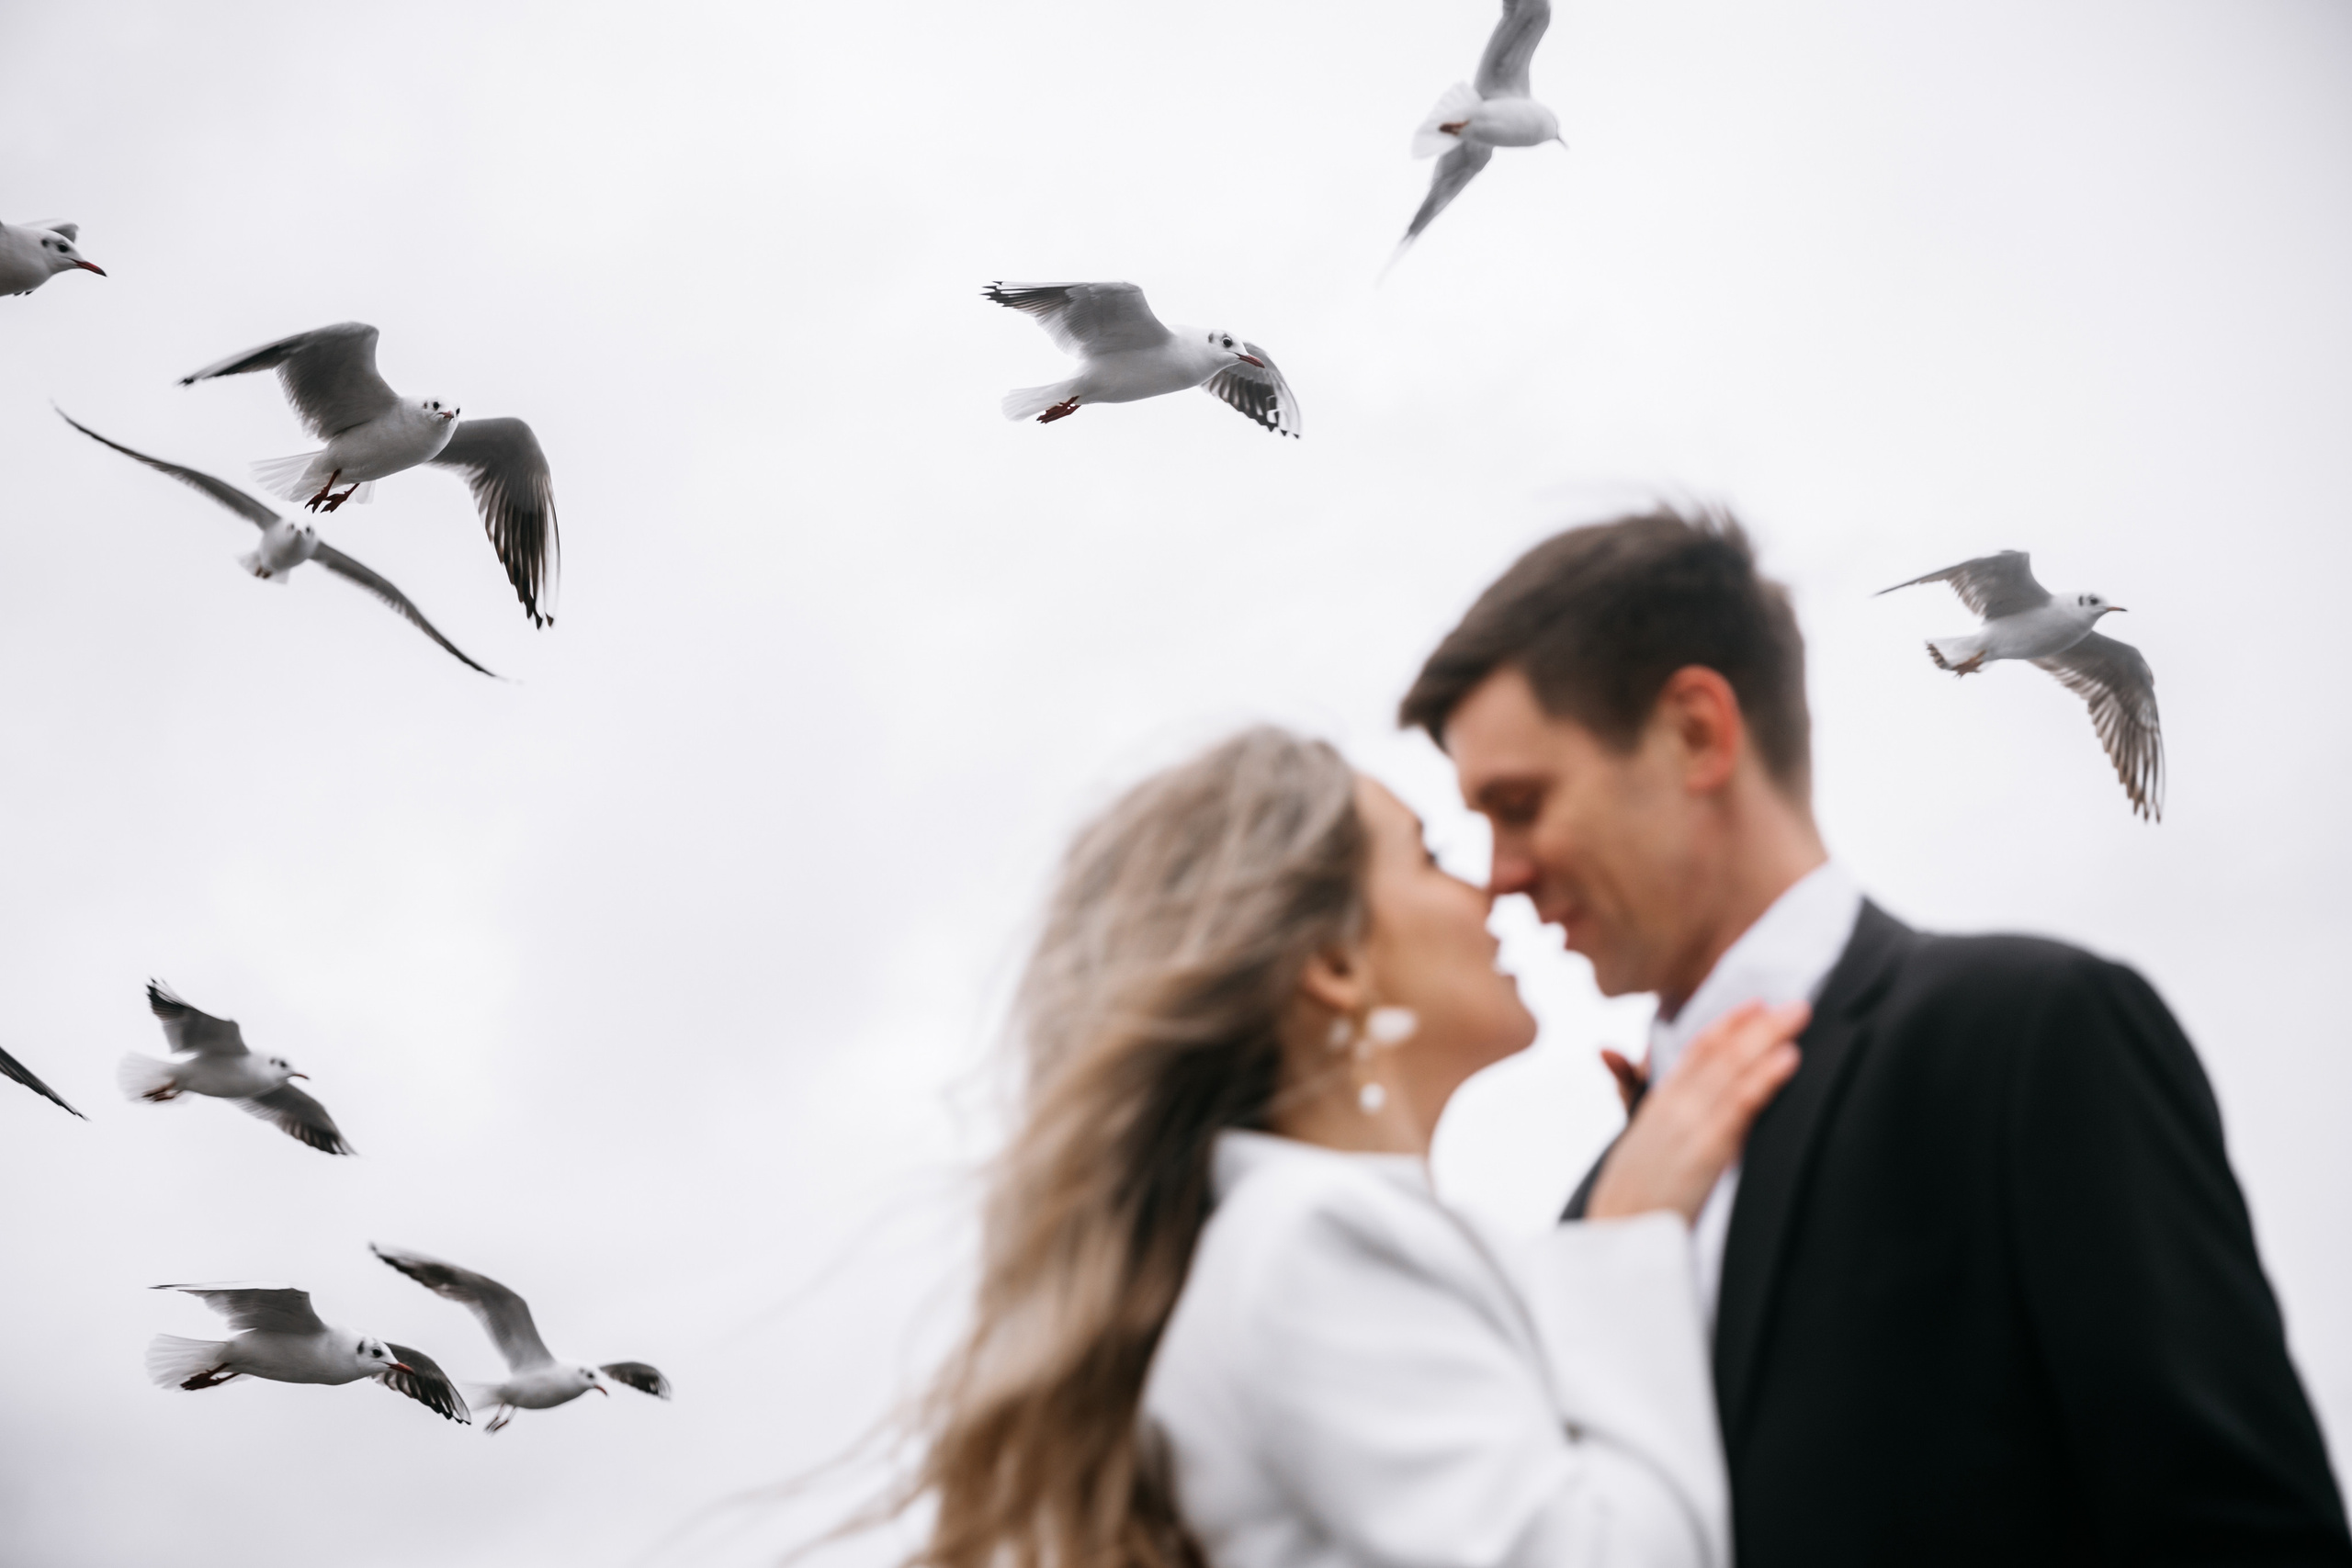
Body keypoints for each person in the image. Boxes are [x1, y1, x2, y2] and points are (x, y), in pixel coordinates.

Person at [1399, 507, 2352, 1566]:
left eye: (1521, 804)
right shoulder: (1590, 1217)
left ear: (1696, 735)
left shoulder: (2032, 1042)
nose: (1496, 875)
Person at [909, 727, 1811, 1568]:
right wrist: (1628, 1236)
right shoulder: (1311, 1239)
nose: (1491, 888)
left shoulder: (1291, 1244)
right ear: (1335, 966)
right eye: (1432, 858)